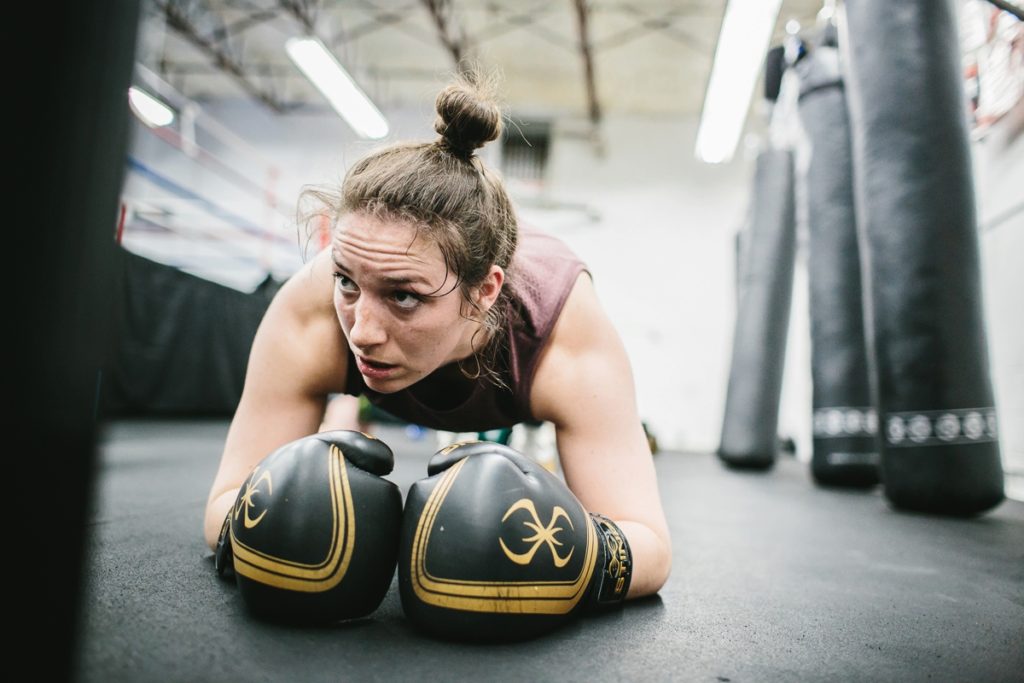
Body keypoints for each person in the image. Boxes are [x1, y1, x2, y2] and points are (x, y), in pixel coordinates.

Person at [204, 70, 671, 601]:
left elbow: (649, 545)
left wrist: (568, 555)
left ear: (485, 291)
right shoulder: (312, 308)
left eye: (405, 296)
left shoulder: (561, 329)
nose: (362, 330)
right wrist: (275, 523)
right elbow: (223, 502)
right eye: (347, 283)